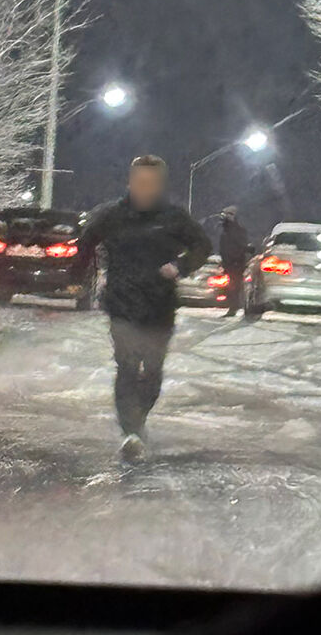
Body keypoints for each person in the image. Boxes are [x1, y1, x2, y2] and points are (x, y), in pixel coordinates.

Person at [75, 155, 212, 462]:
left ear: (161, 186)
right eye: (139, 182)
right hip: (122, 304)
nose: (144, 188)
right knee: (126, 368)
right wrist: (82, 278)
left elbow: (203, 246)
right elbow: (84, 243)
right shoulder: (112, 215)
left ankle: (139, 421)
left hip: (159, 308)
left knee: (151, 373)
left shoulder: (174, 218)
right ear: (129, 182)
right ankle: (131, 433)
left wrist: (180, 266)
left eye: (150, 183)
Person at [216, 206, 250, 316]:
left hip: (236, 262)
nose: (225, 217)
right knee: (231, 286)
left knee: (234, 286)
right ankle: (233, 307)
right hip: (229, 262)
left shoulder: (236, 230)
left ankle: (235, 307)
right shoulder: (225, 230)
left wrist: (235, 257)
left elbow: (239, 244)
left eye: (228, 214)